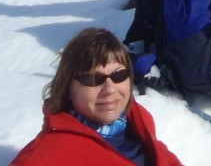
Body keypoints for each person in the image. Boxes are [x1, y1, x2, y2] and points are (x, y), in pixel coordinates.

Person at [11, 27, 183, 165]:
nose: (110, 89)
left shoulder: (135, 119)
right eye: (93, 79)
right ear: (67, 87)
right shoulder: (47, 156)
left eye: (119, 75)